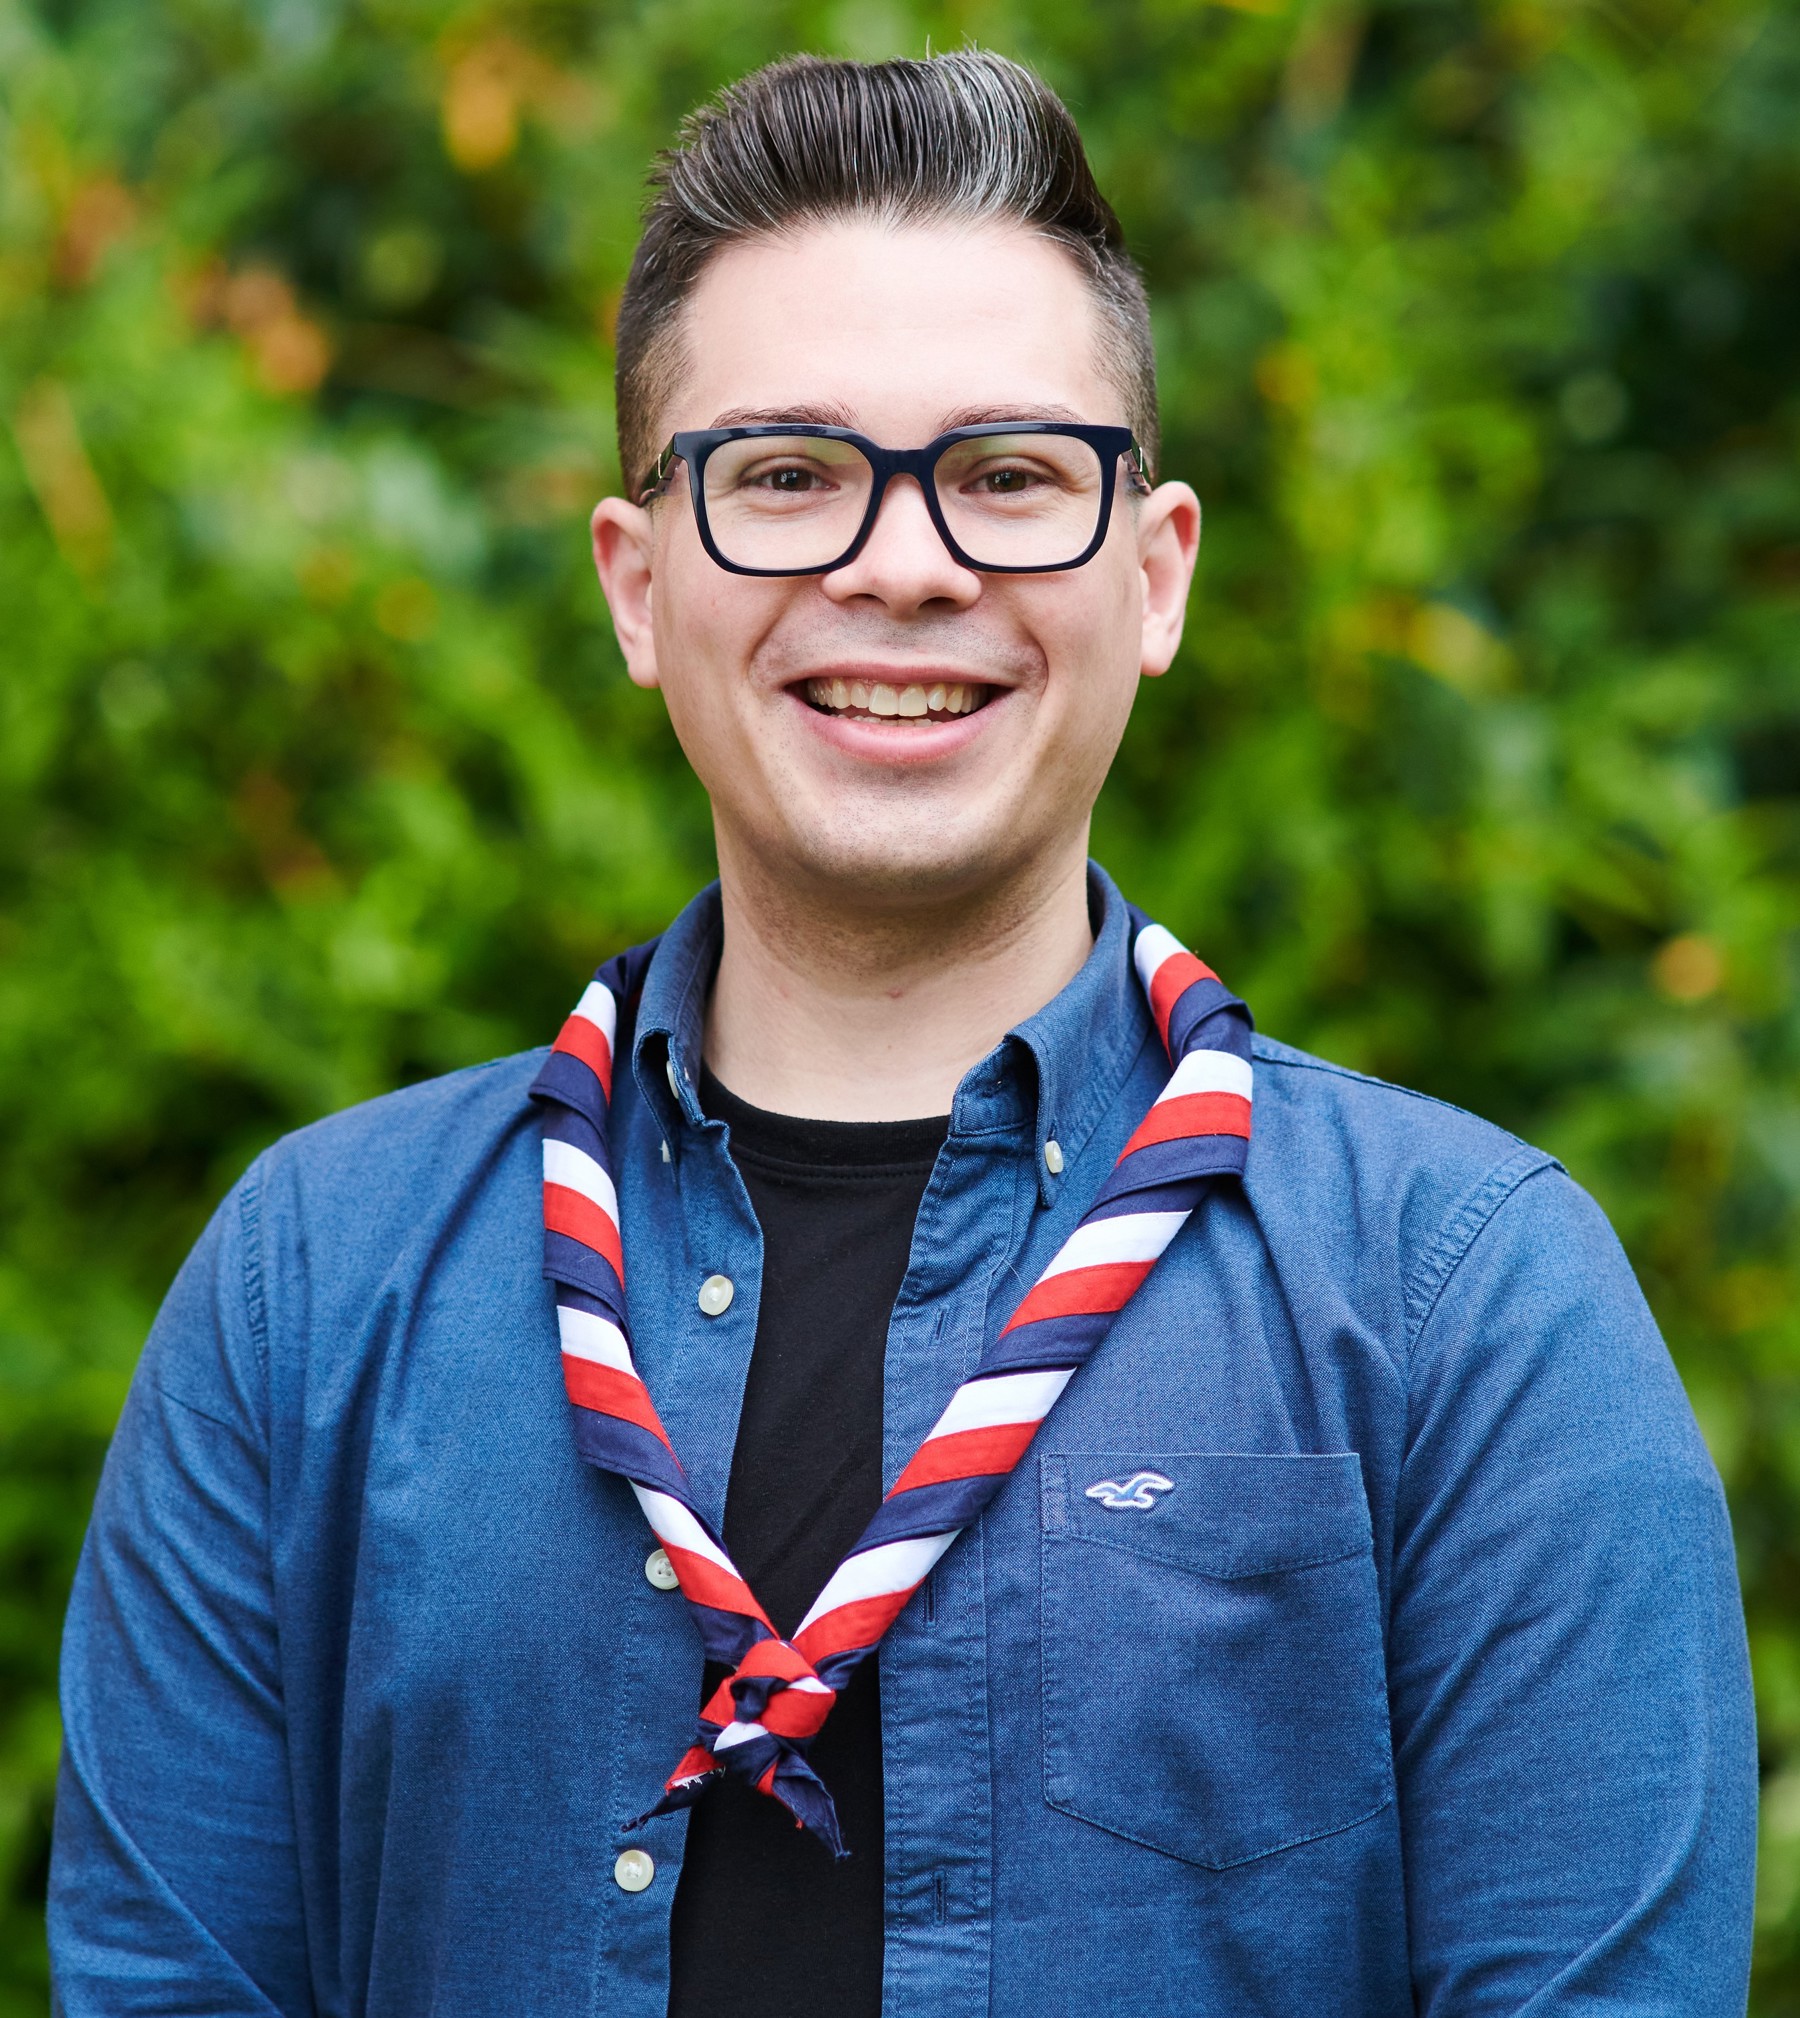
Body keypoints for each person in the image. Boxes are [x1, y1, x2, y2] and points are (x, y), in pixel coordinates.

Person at [49, 48, 1755, 2018]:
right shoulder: (310, 1290)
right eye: (783, 476)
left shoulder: (1468, 1301)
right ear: (635, 582)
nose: (904, 560)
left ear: (1158, 569)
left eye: (1012, 475)